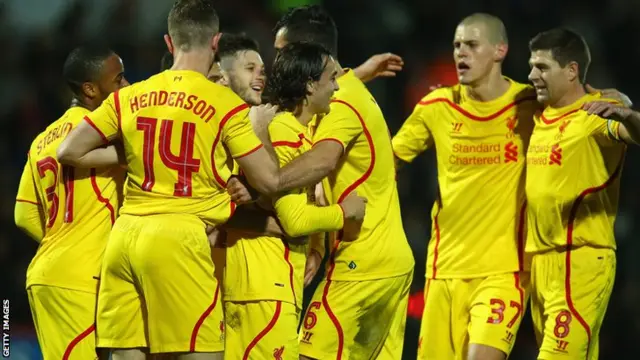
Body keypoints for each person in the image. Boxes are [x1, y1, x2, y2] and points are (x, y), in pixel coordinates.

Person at [56, 0, 340, 358]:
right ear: (215, 42)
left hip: (124, 238)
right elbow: (269, 181)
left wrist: (132, 153)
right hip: (180, 238)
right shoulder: (224, 104)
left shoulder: (130, 96)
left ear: (169, 43)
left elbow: (69, 151)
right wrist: (262, 130)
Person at [231, 5, 415, 359]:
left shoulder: (339, 102)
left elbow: (323, 159)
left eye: (284, 53)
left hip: (361, 261)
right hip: (390, 261)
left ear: (308, 58)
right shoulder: (348, 90)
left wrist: (266, 182)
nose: (277, 64)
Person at [392, 13, 537, 360]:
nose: (461, 53)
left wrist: (609, 97)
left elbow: (576, 102)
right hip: (445, 270)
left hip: (505, 270)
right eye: (457, 46)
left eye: (472, 45)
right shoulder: (435, 107)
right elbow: (386, 162)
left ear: (500, 50)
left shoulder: (530, 105)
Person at [224, 41, 366, 360]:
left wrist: (316, 245)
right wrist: (345, 214)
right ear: (310, 83)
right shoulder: (283, 131)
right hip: (265, 286)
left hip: (261, 286)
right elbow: (295, 220)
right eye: (331, 78)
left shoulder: (293, 131)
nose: (337, 86)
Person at [525, 27, 639, 359]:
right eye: (532, 66)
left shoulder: (596, 114)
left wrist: (629, 113)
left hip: (581, 260)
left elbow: (635, 134)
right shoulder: (537, 114)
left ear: (572, 70)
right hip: (541, 264)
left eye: (542, 67)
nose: (532, 75)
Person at [14, 45, 128, 360]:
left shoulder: (42, 139)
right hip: (82, 278)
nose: (127, 86)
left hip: (50, 274)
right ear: (91, 89)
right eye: (119, 80)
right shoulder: (104, 133)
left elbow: (23, 215)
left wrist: (61, 244)